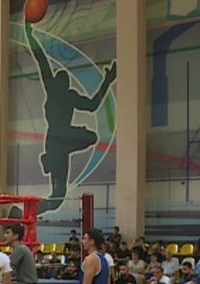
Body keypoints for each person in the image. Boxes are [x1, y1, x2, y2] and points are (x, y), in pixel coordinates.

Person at [24, 20, 117, 214]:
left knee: (58, 196)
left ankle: (26, 210)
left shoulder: (59, 92)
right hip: (60, 139)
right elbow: (41, 59)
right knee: (57, 197)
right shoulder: (60, 92)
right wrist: (107, 81)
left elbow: (92, 105)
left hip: (58, 140)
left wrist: (108, 81)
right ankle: (26, 212)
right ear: (62, 83)